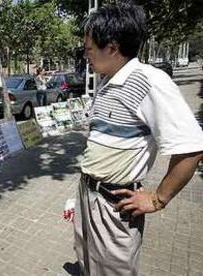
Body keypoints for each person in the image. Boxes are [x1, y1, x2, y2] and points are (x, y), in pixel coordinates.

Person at [74, 3, 203, 275]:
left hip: (114, 206)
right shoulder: (108, 80)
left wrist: (158, 198)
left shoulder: (149, 81)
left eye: (89, 50)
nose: (86, 56)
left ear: (111, 47)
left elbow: (192, 147)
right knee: (88, 264)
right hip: (88, 196)